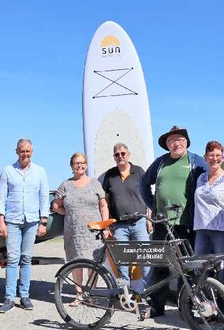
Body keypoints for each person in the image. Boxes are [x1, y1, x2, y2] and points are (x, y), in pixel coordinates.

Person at [139, 125, 209, 317]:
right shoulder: (161, 162)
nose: (176, 143)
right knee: (160, 264)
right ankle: (157, 306)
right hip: (162, 223)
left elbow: (213, 178)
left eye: (179, 139)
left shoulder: (196, 161)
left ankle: (187, 306)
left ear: (186, 142)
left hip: (186, 223)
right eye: (171, 140)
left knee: (188, 266)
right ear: (167, 145)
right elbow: (144, 183)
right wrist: (153, 206)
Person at [0, 139, 49, 313]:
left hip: (32, 221)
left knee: (26, 259)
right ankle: (9, 298)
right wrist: (1, 220)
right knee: (12, 259)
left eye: (27, 151)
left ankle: (24, 296)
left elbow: (44, 198)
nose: (25, 154)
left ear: (32, 151)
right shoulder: (8, 171)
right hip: (13, 220)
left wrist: (43, 221)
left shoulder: (40, 172)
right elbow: (1, 197)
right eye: (21, 151)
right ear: (16, 152)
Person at [53, 152, 109, 303]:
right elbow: (56, 205)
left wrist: (106, 225)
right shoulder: (65, 185)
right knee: (76, 262)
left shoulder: (95, 183)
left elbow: (103, 206)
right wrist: (68, 213)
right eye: (77, 163)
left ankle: (90, 294)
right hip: (74, 231)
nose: (80, 165)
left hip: (94, 231)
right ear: (72, 166)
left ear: (86, 165)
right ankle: (79, 295)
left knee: (93, 263)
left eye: (82, 162)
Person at [193, 140, 224, 292]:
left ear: (223, 157)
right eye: (211, 155)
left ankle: (223, 306)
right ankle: (207, 304)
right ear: (205, 157)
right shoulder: (201, 178)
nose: (215, 158)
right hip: (202, 228)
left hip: (223, 229)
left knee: (223, 268)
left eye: (218, 155)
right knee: (200, 267)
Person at [102, 142, 152, 292]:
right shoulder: (110, 175)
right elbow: (104, 200)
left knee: (146, 258)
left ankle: (149, 294)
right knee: (122, 261)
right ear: (114, 157)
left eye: (123, 153)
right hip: (119, 225)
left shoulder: (139, 171)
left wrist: (149, 219)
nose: (120, 156)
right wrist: (107, 223)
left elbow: (148, 196)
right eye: (117, 154)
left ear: (128, 155)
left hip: (139, 222)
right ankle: (125, 293)